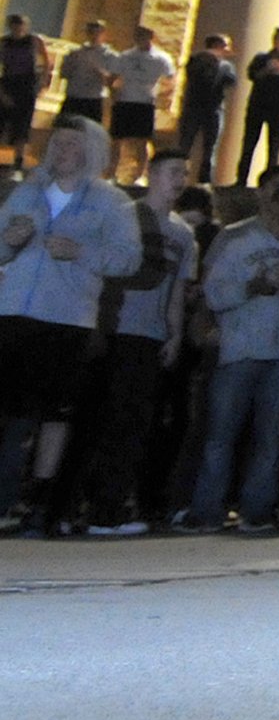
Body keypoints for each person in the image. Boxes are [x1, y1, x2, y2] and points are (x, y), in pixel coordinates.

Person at [0, 116, 143, 535]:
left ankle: (41, 501)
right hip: (11, 312)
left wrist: (81, 251)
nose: (60, 152)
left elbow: (127, 259)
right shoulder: (25, 192)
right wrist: (9, 242)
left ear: (91, 152)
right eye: (57, 143)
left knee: (55, 414)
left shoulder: (111, 202)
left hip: (67, 319)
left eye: (71, 145)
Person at [180, 165, 279, 534]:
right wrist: (251, 287)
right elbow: (214, 293)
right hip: (239, 349)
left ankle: (257, 509)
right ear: (272, 204)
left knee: (271, 439)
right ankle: (207, 508)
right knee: (220, 436)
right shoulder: (237, 242)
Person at [80, 146, 198, 534]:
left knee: (132, 422)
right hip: (115, 326)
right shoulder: (125, 217)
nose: (179, 180)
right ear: (153, 174)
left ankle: (110, 505)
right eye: (172, 172)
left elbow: (178, 290)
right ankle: (88, 505)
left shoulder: (183, 233)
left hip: (149, 334)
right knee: (100, 418)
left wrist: (175, 334)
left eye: (184, 173)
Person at [107, 24, 176, 184]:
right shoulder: (125, 56)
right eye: (137, 35)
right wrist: (114, 94)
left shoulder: (160, 58)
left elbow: (171, 79)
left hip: (145, 102)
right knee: (117, 139)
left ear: (150, 36)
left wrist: (161, 96)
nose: (139, 39)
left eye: (143, 35)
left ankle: (140, 175)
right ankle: (112, 173)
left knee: (142, 140)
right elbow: (112, 76)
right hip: (125, 100)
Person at [235, 29, 279, 185]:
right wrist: (267, 69)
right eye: (275, 38)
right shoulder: (262, 58)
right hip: (257, 105)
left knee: (274, 147)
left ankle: (270, 182)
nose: (276, 41)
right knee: (248, 144)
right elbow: (252, 75)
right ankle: (241, 179)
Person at [176, 33, 235, 183]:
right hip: (194, 109)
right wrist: (209, 61)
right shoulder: (197, 60)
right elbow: (194, 75)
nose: (227, 49)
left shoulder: (226, 66)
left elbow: (231, 82)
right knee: (185, 145)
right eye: (224, 45)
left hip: (214, 110)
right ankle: (179, 176)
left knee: (211, 148)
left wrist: (217, 63)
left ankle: (205, 181)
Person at [0, 13, 51, 169]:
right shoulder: (4, 42)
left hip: (27, 84)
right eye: (15, 25)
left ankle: (18, 160)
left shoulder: (34, 41)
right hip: (8, 82)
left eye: (21, 24)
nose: (18, 28)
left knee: (22, 124)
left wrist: (43, 82)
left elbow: (46, 62)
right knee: (2, 121)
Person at [56, 20, 118, 126]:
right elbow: (63, 74)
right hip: (73, 96)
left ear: (104, 34)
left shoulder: (110, 56)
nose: (94, 36)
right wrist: (71, 66)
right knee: (65, 129)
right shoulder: (75, 52)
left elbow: (114, 82)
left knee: (89, 133)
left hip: (93, 99)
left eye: (98, 33)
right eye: (91, 32)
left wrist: (98, 71)